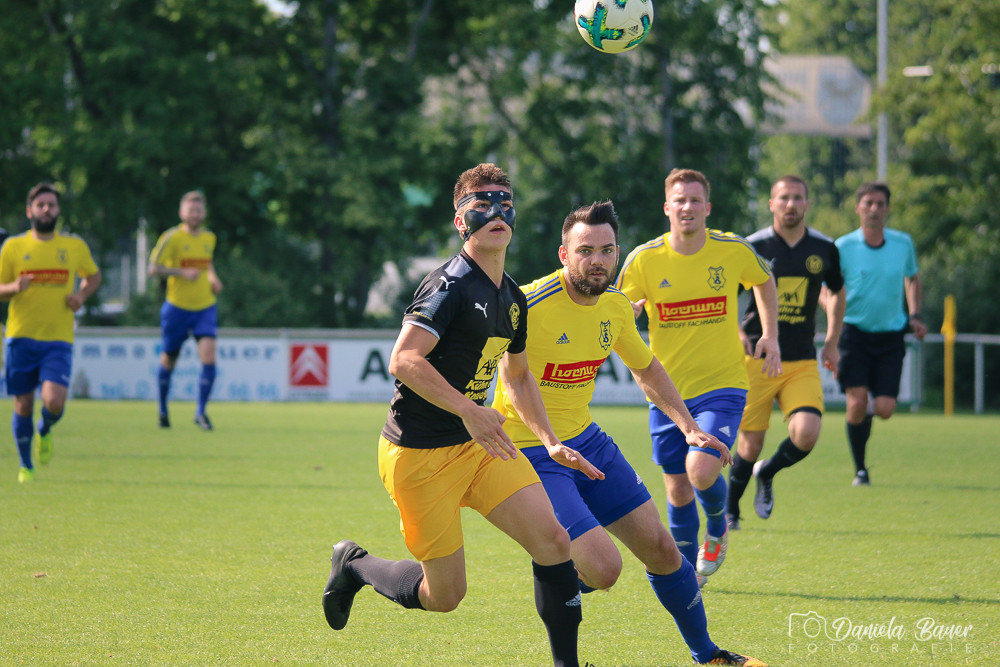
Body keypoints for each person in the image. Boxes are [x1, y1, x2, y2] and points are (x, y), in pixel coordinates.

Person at [322, 164, 600, 667]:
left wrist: (550, 440)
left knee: (554, 541)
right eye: (482, 203)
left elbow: (518, 378)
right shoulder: (448, 285)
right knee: (445, 596)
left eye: (505, 202)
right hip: (418, 456)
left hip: (480, 446)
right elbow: (403, 360)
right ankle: (355, 565)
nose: (497, 211)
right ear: (460, 221)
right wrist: (470, 410)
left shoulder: (513, 297)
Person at [494, 200, 767, 666]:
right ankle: (558, 575)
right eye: (585, 251)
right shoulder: (527, 304)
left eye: (606, 250)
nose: (597, 260)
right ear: (564, 254)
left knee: (662, 549)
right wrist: (551, 443)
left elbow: (647, 369)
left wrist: (690, 427)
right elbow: (512, 381)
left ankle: (709, 656)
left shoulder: (617, 307)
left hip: (587, 441)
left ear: (617, 253)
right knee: (605, 570)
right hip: (533, 448)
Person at [615, 168, 781, 583]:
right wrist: (628, 310)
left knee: (701, 470)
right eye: (680, 200)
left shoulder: (733, 249)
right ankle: (687, 575)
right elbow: (616, 307)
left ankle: (719, 525)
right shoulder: (643, 259)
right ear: (667, 208)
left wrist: (771, 335)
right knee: (677, 488)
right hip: (667, 394)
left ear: (707, 208)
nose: (687, 207)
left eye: (695, 200)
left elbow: (764, 281)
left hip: (722, 385)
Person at [726, 176, 846, 528]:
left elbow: (837, 291)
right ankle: (731, 511)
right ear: (771, 204)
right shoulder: (753, 246)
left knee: (807, 433)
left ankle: (768, 472)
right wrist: (737, 332)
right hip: (757, 358)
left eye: (797, 198)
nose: (790, 204)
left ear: (807, 204)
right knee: (750, 445)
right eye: (783, 198)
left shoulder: (825, 247)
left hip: (801, 359)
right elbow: (725, 295)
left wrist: (832, 341)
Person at [0, 183, 102, 482]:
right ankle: (25, 466)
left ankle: (44, 428)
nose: (47, 209)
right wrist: (14, 287)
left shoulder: (73, 246)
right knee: (23, 403)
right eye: (41, 205)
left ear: (58, 210)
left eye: (52, 205)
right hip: (20, 337)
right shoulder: (13, 247)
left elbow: (93, 276)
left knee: (54, 401)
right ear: (29, 211)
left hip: (58, 339)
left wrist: (80, 296)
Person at [835, 182, 926, 486]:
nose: (874, 209)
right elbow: (826, 289)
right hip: (853, 333)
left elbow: (912, 278)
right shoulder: (843, 246)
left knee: (885, 409)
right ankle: (860, 469)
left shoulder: (902, 243)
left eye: (880, 204)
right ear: (858, 208)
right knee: (857, 401)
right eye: (868, 203)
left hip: (890, 335)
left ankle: (864, 418)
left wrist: (915, 316)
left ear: (887, 209)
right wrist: (833, 311)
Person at [149, 191, 223, 430]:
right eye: (191, 210)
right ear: (182, 213)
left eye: (199, 210)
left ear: (204, 213)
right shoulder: (172, 238)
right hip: (177, 308)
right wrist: (181, 273)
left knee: (209, 358)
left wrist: (213, 278)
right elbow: (153, 268)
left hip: (205, 307)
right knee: (169, 359)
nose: (195, 214)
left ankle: (201, 412)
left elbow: (207, 263)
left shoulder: (209, 238)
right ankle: (162, 410)